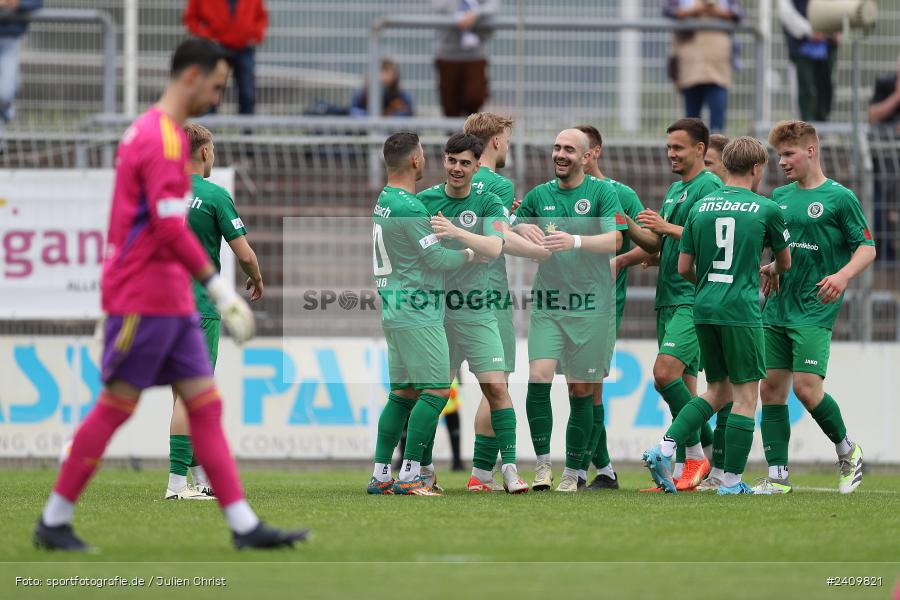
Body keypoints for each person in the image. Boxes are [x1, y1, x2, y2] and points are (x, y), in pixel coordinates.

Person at [34, 38, 306, 551]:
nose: (220, 97)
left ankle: (244, 526)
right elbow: (166, 230)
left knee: (204, 405)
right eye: (217, 86)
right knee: (117, 405)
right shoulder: (158, 138)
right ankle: (53, 518)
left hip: (171, 299)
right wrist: (219, 288)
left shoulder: (155, 135)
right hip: (144, 296)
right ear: (192, 77)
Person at [642, 136, 792, 495]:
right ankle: (731, 480)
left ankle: (664, 447)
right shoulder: (766, 208)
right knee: (745, 397)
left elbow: (682, 267)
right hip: (739, 310)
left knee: (718, 390)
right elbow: (785, 262)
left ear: (727, 164)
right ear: (757, 169)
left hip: (703, 307)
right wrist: (769, 268)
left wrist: (710, 284)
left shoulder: (700, 207)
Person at [753, 120, 875, 494]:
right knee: (771, 391)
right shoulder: (780, 197)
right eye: (778, 156)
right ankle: (777, 477)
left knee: (806, 389)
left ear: (811, 150)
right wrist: (773, 265)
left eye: (788, 154)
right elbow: (782, 250)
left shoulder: (840, 198)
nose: (782, 162)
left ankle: (847, 450)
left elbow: (867, 248)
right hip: (776, 306)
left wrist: (842, 276)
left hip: (814, 307)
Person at [420, 132, 538, 494]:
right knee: (434, 394)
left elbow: (494, 246)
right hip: (438, 313)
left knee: (497, 388)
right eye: (451, 161)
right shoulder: (424, 201)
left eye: (465, 163)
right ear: (444, 161)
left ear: (476, 166)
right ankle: (422, 470)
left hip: (478, 311)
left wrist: (456, 232)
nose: (457, 168)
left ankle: (510, 471)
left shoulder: (487, 200)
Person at [513, 129, 626, 493]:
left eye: (568, 150)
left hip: (592, 305)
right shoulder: (539, 195)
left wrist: (574, 240)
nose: (560, 155)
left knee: (581, 389)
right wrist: (519, 227)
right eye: (557, 148)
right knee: (539, 376)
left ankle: (573, 472)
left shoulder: (602, 193)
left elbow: (617, 238)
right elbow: (503, 226)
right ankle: (543, 465)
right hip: (549, 303)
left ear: (586, 156)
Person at [367, 132, 477, 496]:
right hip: (419, 310)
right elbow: (435, 259)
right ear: (415, 160)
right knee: (435, 391)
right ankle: (411, 474)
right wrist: (467, 252)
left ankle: (382, 474)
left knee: (401, 394)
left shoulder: (385, 200)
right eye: (425, 155)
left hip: (395, 310)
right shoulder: (411, 207)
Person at [618, 118, 721, 492]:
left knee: (664, 375)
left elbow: (713, 237)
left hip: (692, 297)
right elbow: (657, 245)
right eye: (668, 148)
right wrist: (627, 222)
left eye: (678, 147)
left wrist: (667, 229)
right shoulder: (677, 190)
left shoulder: (710, 185)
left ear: (700, 150)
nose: (671, 154)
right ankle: (690, 469)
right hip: (668, 297)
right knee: (686, 391)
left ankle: (698, 455)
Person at [166, 123, 264, 501]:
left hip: (161, 306)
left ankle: (200, 476)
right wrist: (256, 277)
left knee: (181, 394)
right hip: (197, 306)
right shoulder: (213, 195)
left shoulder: (161, 194)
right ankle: (177, 486)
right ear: (205, 152)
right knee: (194, 394)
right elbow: (244, 253)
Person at [461, 112, 550, 492]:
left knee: (432, 389)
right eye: (507, 139)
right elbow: (496, 238)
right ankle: (482, 474)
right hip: (487, 295)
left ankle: (418, 467)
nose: (508, 146)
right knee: (497, 384)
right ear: (496, 141)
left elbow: (487, 226)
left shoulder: (458, 179)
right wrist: (538, 252)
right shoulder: (495, 182)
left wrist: (515, 224)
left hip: (448, 293)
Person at [572, 124, 646, 491]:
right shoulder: (563, 194)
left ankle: (596, 471)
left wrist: (620, 261)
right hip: (568, 306)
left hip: (603, 306)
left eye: (577, 148)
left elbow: (650, 245)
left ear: (594, 152)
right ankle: (601, 468)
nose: (568, 155)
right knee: (579, 389)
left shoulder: (621, 194)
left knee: (590, 388)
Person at [664, 0, 744, 132]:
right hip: (689, 65)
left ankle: (717, 150)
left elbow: (738, 14)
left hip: (718, 65)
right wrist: (694, 11)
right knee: (691, 120)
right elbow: (669, 11)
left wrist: (717, 11)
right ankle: (691, 149)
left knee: (718, 116)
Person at [184, 0, 268, 116]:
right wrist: (206, 37)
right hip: (216, 46)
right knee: (211, 90)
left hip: (244, 46)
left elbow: (261, 16)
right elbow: (191, 18)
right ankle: (208, 130)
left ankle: (248, 132)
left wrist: (256, 35)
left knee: (247, 93)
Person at [432, 0, 500, 117]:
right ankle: (454, 133)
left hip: (475, 54)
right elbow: (437, 5)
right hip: (448, 54)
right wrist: (460, 14)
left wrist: (475, 13)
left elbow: (493, 5)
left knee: (474, 98)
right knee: (450, 105)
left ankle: (470, 130)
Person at [778, 0, 838, 122]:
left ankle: (823, 127)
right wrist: (810, 31)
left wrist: (834, 27)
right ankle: (806, 129)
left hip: (827, 45)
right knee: (805, 89)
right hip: (801, 45)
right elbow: (786, 13)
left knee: (825, 87)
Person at [868, 55, 900, 264]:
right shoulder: (885, 84)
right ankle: (882, 253)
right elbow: (873, 115)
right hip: (884, 154)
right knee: (879, 202)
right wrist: (897, 96)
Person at [0, 0, 42, 140]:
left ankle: (6, 112)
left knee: (5, 91)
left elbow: (36, 3)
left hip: (11, 40)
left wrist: (16, 3)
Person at [350, 58, 414, 117]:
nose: (385, 76)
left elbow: (408, 114)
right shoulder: (362, 94)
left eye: (388, 72)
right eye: (382, 71)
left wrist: (388, 116)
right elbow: (354, 112)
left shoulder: (401, 95)